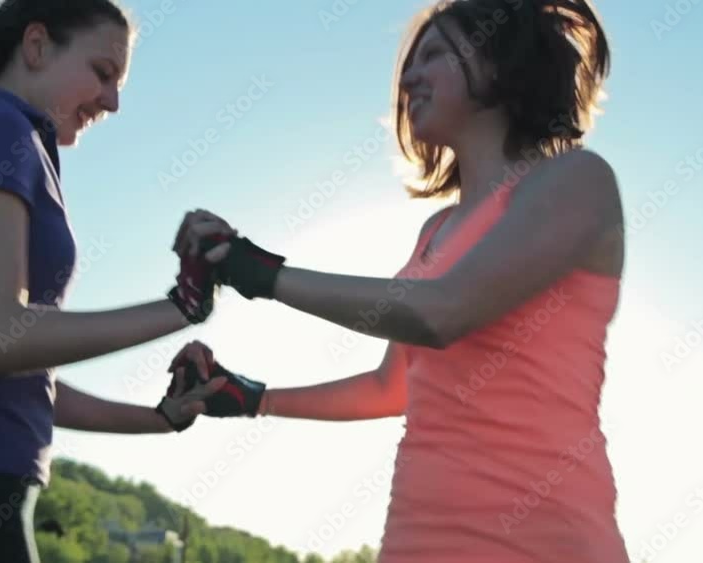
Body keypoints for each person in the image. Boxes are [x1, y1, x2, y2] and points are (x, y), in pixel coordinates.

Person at [170, 0, 629, 561]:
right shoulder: (434, 231)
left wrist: (259, 272)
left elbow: (443, 311)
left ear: (497, 62)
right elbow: (391, 388)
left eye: (432, 55)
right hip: (417, 539)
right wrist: (250, 397)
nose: (408, 79)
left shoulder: (577, 178)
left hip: (545, 543)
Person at [0, 1, 236, 562]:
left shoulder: (11, 138)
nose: (113, 101)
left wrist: (161, 419)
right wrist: (183, 305)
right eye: (103, 72)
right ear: (36, 46)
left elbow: (27, 383)